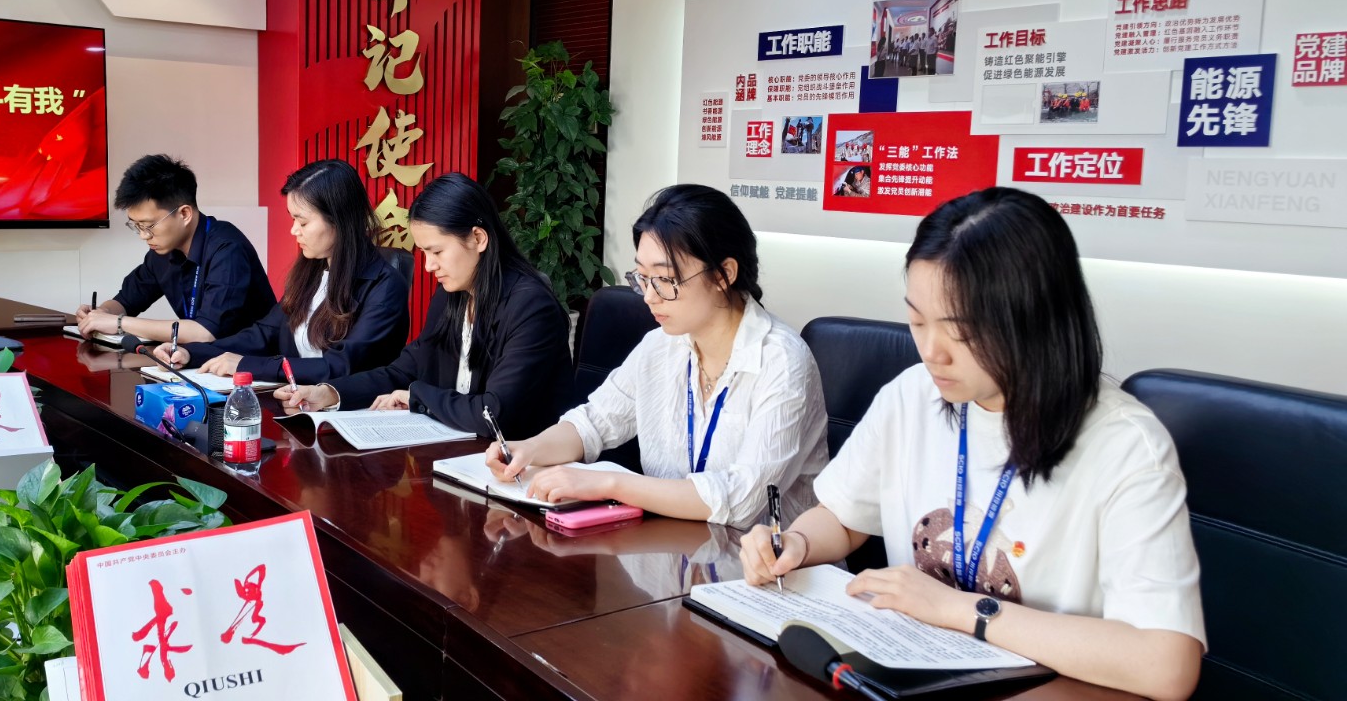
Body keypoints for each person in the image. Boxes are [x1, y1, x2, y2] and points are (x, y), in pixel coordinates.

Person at [740, 187, 1203, 701]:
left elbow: (1166, 664)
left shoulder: (1126, 446)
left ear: (1034, 320)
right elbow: (845, 515)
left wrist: (961, 610)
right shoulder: (912, 396)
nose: (931, 351)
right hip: (912, 676)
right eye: (917, 321)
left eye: (959, 332)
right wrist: (796, 544)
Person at [485, 184, 829, 529]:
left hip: (759, 557)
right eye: (643, 278)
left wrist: (611, 484)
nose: (649, 296)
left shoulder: (782, 362)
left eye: (665, 279)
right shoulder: (660, 346)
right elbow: (594, 422)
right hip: (670, 544)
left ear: (724, 274)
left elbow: (742, 500)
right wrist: (529, 449)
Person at [281, 173, 571, 437]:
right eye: (423, 253)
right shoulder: (452, 294)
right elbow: (404, 370)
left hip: (520, 463)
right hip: (458, 452)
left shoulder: (531, 307)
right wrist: (329, 393)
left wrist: (419, 397)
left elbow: (494, 413)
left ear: (478, 238)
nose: (429, 266)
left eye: (437, 252)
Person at [152, 159, 409, 385]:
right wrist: (192, 353)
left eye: (303, 222)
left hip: (349, 412)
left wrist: (246, 365)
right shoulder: (313, 270)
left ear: (340, 221)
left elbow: (341, 366)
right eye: (293, 219)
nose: (294, 230)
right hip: (297, 401)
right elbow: (264, 333)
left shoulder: (385, 286)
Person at [77, 154, 275, 343]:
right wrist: (101, 314)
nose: (144, 235)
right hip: (203, 359)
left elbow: (206, 332)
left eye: (148, 225)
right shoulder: (162, 251)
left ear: (184, 214)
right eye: (136, 225)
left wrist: (119, 323)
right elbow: (126, 301)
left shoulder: (227, 249)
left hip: (252, 361)